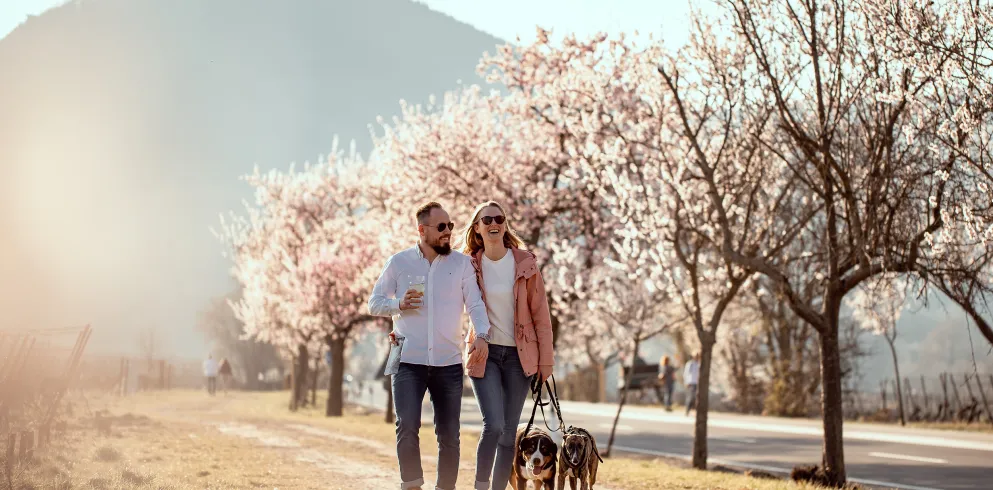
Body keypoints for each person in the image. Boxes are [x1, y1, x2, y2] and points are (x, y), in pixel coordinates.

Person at [368, 201, 492, 490]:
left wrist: (482, 335)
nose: (448, 231)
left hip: (448, 363)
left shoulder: (462, 264)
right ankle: (411, 484)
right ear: (422, 230)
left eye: (449, 225)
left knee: (449, 434)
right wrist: (397, 304)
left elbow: (475, 304)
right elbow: (374, 303)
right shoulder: (399, 263)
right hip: (407, 360)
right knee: (407, 426)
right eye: (441, 227)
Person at [461, 201, 554, 490]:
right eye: (486, 218)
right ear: (477, 228)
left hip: (520, 356)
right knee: (494, 426)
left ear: (504, 224)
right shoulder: (468, 265)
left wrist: (546, 361)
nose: (493, 222)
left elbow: (541, 314)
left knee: (509, 430)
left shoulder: (525, 263)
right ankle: (480, 485)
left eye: (499, 218)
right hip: (484, 354)